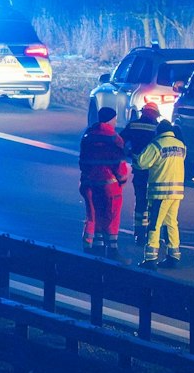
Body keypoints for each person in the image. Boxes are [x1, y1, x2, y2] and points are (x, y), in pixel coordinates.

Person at [78, 108, 133, 256]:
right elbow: (119, 164)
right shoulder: (114, 138)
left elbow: (82, 161)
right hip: (109, 185)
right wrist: (122, 179)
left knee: (93, 214)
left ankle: (93, 246)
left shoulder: (88, 135)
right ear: (111, 120)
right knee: (111, 215)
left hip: (89, 182)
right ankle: (112, 249)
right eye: (115, 119)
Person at [136, 118, 188, 268]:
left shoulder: (157, 145)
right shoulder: (181, 145)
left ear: (158, 131)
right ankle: (174, 255)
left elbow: (141, 162)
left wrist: (133, 155)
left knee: (154, 224)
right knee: (172, 223)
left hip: (160, 193)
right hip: (176, 192)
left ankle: (151, 259)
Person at [120, 102, 163, 244]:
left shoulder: (133, 125)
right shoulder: (158, 128)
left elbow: (120, 142)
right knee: (154, 203)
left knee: (140, 201)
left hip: (139, 170)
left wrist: (129, 153)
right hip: (155, 172)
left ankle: (139, 233)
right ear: (155, 115)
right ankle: (152, 232)